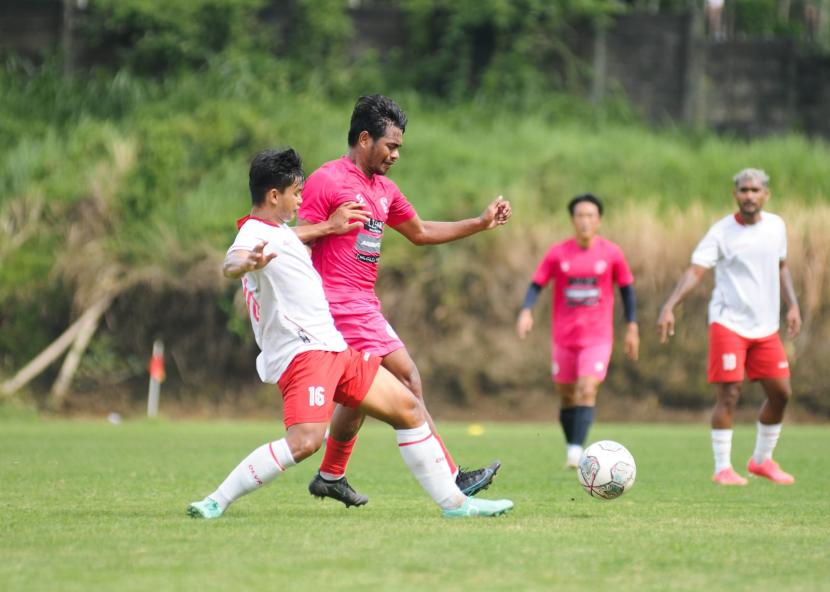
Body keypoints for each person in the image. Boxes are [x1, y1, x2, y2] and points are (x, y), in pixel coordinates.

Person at [187, 148, 513, 519]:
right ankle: (216, 500)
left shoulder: (280, 232)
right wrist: (243, 263)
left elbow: (299, 236)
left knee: (407, 406)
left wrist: (328, 227)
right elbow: (232, 260)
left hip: (335, 349)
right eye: (296, 193)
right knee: (306, 441)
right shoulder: (253, 235)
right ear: (274, 195)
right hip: (304, 355)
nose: (300, 199)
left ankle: (456, 505)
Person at [296, 94, 511, 506]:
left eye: (399, 148)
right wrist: (328, 229)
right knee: (408, 377)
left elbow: (421, 231)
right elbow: (299, 237)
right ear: (364, 138)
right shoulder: (328, 180)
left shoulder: (385, 190)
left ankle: (330, 474)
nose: (395, 154)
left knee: (359, 395)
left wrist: (480, 223)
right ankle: (452, 478)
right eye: (390, 146)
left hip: (365, 304)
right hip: (337, 305)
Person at [657, 168, 801, 486]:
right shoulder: (721, 232)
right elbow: (696, 272)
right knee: (730, 393)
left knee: (781, 394)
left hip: (765, 327)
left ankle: (762, 461)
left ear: (767, 194)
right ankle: (723, 468)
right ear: (735, 194)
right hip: (728, 323)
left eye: (755, 190)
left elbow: (782, 266)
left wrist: (792, 304)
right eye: (744, 190)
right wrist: (670, 305)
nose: (749, 195)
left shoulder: (776, 226)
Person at [516, 194, 639, 468]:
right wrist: (526, 310)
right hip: (563, 337)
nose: (585, 221)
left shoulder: (612, 253)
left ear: (599, 220)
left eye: (590, 216)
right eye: (580, 216)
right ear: (573, 220)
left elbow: (627, 290)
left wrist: (632, 327)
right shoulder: (558, 253)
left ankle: (575, 452)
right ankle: (572, 444)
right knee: (567, 395)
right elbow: (537, 284)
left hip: (597, 338)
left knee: (586, 389)